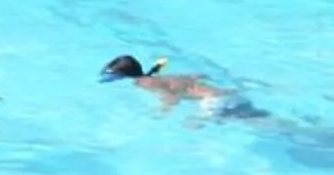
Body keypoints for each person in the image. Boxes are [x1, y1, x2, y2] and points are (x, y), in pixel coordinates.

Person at [100, 54, 262, 116]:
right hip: (226, 94)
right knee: (261, 119)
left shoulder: (142, 83)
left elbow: (172, 98)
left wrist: (162, 111)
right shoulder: (167, 77)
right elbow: (196, 76)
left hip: (213, 103)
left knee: (191, 126)